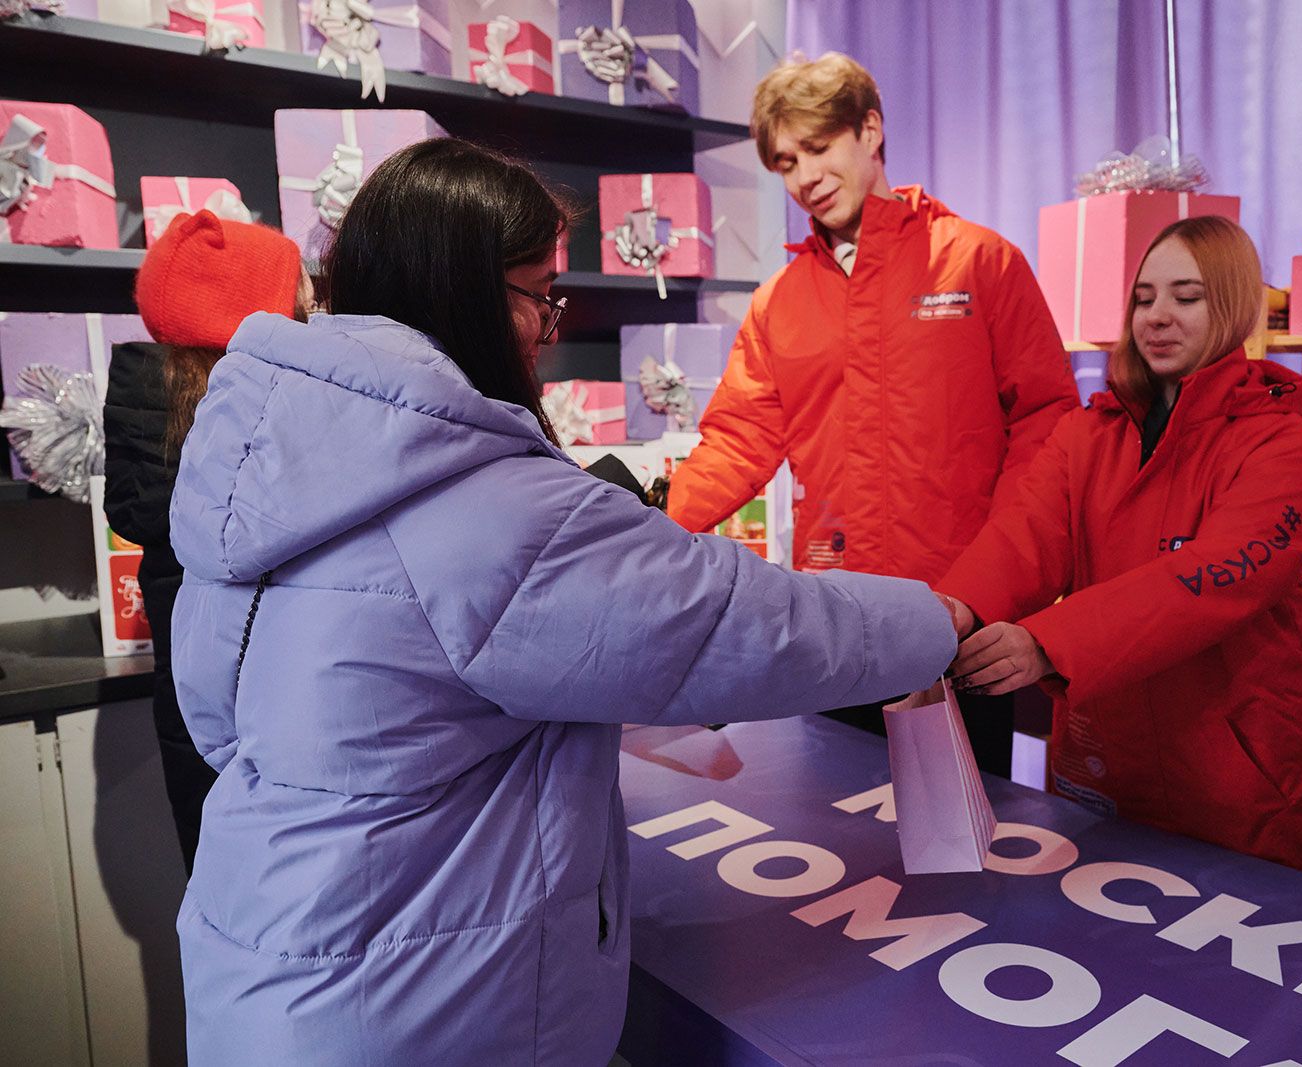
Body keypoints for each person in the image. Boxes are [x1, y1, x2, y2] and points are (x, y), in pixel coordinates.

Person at [165, 138, 957, 1066]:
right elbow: (745, 624)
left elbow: (217, 720)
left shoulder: (257, 468)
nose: (549, 327)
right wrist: (942, 621)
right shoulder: (493, 503)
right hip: (409, 1006)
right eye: (542, 294)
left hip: (260, 960)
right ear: (467, 290)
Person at [666, 52, 1079, 776]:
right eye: (787, 161)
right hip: (833, 626)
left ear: (871, 129)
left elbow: (1048, 441)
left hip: (959, 624)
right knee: (837, 844)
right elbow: (737, 442)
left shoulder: (980, 263)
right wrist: (643, 520)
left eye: (819, 148)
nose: (805, 177)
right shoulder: (780, 302)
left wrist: (983, 591)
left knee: (959, 858)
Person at [937, 216, 1302, 882]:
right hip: (1109, 757)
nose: (1158, 316)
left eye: (1186, 297)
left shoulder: (1285, 451)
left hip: (1237, 775)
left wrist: (1046, 643)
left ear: (1234, 305)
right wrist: (950, 609)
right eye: (1144, 297)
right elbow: (1023, 535)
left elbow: (1206, 581)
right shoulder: (1087, 435)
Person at [102, 210, 311, 874]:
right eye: (302, 293)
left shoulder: (165, 425)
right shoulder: (267, 428)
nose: (317, 306)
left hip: (198, 744)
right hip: (280, 750)